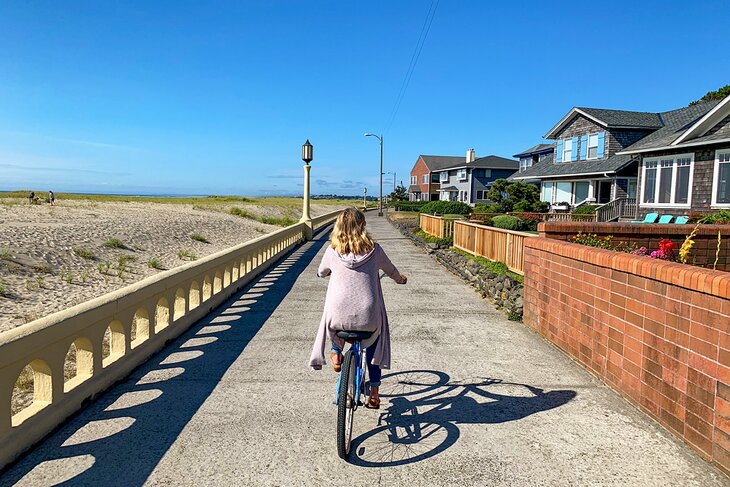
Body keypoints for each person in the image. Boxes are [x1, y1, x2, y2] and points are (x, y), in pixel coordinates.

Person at [309, 207, 407, 409]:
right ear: (362, 226)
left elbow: (321, 272)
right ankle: (374, 395)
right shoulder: (375, 249)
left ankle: (336, 352)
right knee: (373, 346)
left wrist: (327, 273)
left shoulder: (332, 251)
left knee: (334, 324)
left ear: (338, 228)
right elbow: (392, 271)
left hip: (339, 314)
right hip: (367, 315)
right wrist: (400, 279)